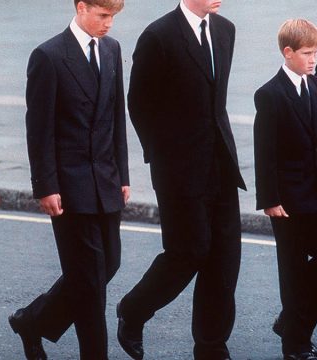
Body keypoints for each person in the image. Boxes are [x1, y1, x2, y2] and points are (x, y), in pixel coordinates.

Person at [116, 1, 246, 359]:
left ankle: (211, 347)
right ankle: (134, 310)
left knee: (225, 260)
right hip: (178, 168)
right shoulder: (158, 36)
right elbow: (138, 103)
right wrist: (164, 156)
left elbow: (213, 101)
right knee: (188, 252)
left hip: (220, 162)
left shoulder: (225, 30)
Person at [7, 1, 128, 359]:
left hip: (106, 179)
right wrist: (45, 186)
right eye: (102, 16)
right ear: (80, 7)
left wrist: (122, 172)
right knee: (89, 282)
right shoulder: (48, 56)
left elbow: (115, 116)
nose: (108, 24)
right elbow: (39, 130)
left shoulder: (112, 49)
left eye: (113, 17)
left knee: (108, 265)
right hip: (69, 185)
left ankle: (33, 321)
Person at [253, 19, 317, 360]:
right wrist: (269, 200)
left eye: (315, 51)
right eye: (306, 53)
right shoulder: (270, 94)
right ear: (287, 52)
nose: (313, 59)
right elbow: (265, 152)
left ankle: (291, 321)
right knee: (291, 270)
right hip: (286, 200)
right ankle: (295, 344)